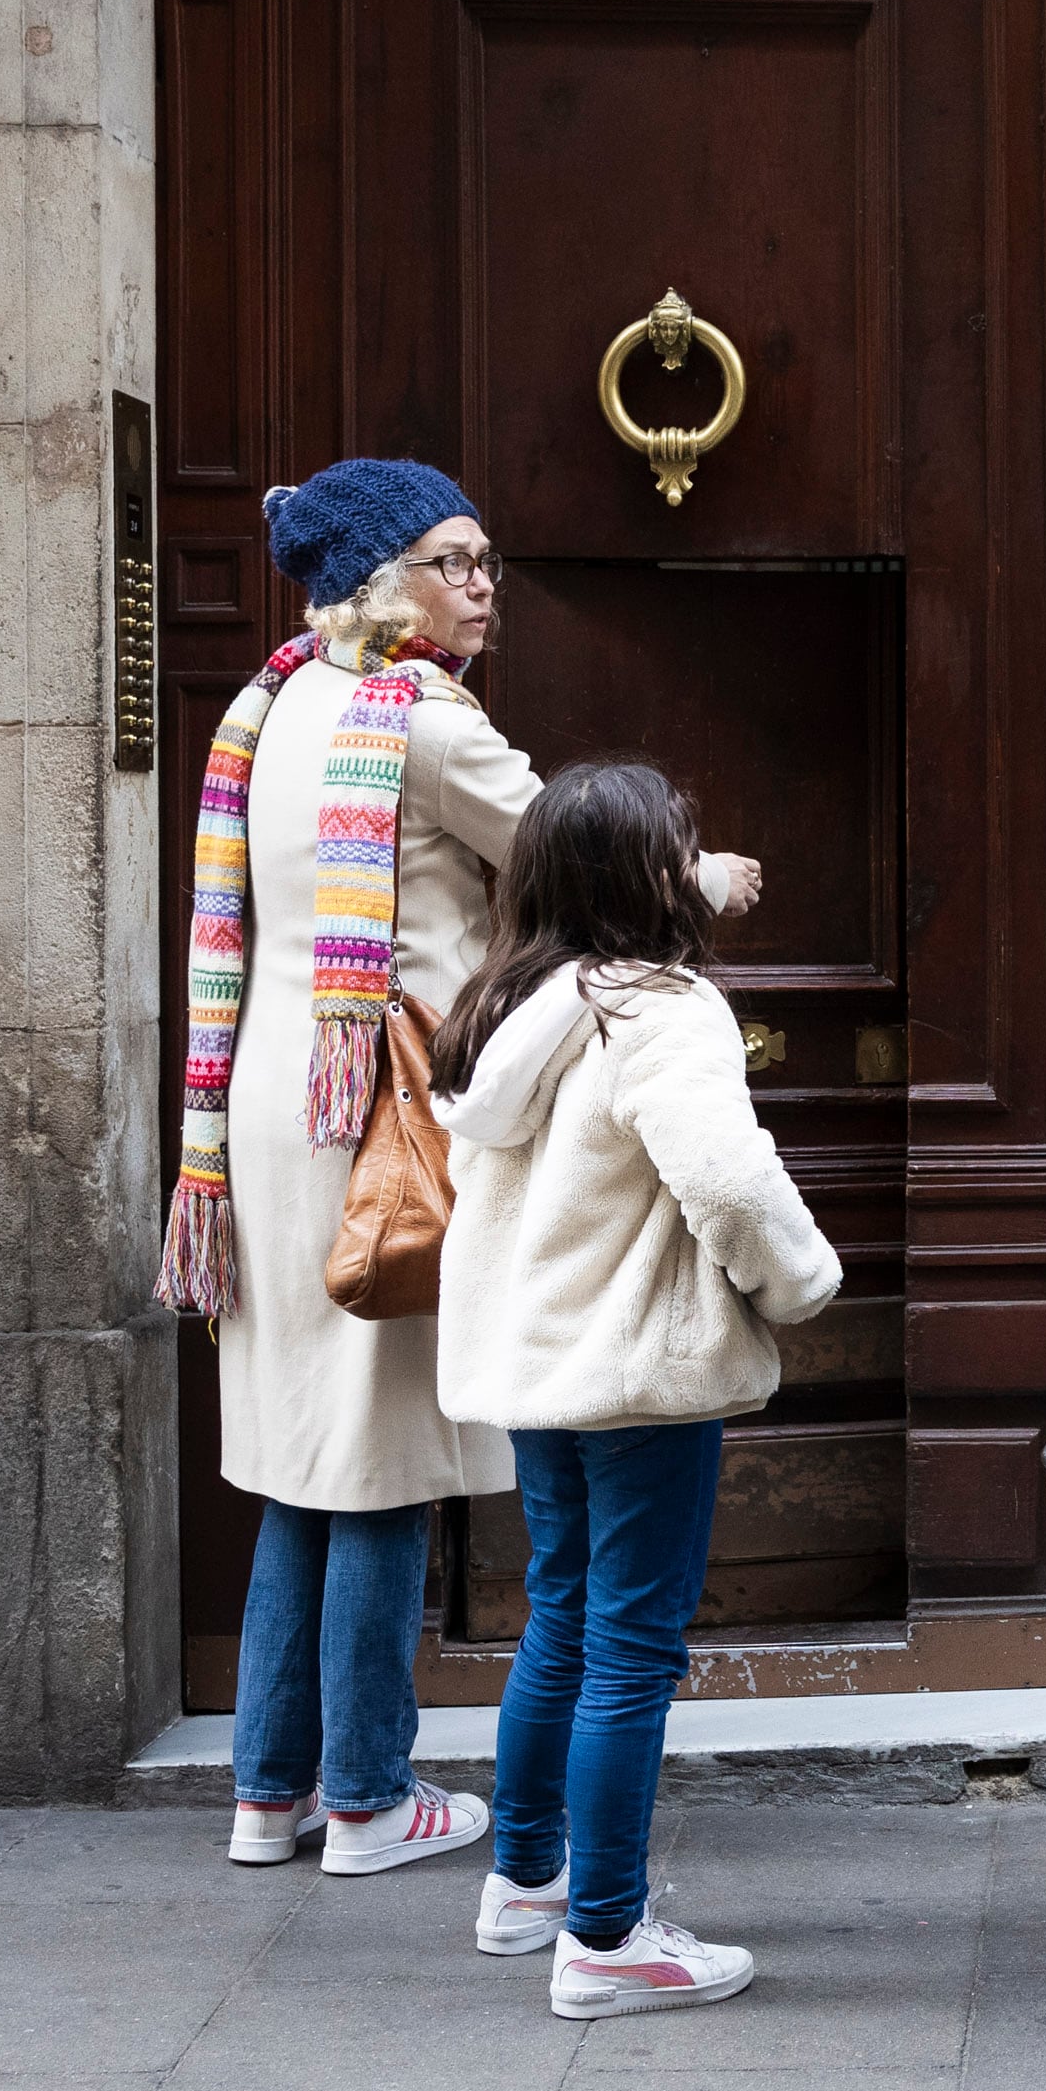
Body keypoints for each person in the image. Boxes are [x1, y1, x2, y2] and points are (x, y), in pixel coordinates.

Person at [171, 457, 755, 1879]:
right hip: (381, 1116)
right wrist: (712, 880)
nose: (481, 584)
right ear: (382, 583)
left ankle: (269, 1789)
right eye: (452, 559)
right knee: (373, 1458)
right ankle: (367, 1793)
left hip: (268, 1100)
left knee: (297, 1458)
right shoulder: (418, 719)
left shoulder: (272, 706)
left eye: (486, 558)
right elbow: (576, 862)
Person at [433, 759, 842, 2019]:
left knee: (561, 1614)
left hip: (542, 1370)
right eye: (679, 848)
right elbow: (726, 1180)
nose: (692, 864)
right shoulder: (658, 1009)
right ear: (636, 876)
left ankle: (528, 1878)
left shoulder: (510, 1006)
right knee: (629, 1648)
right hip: (639, 1373)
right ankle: (607, 1939)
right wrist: (800, 1282)